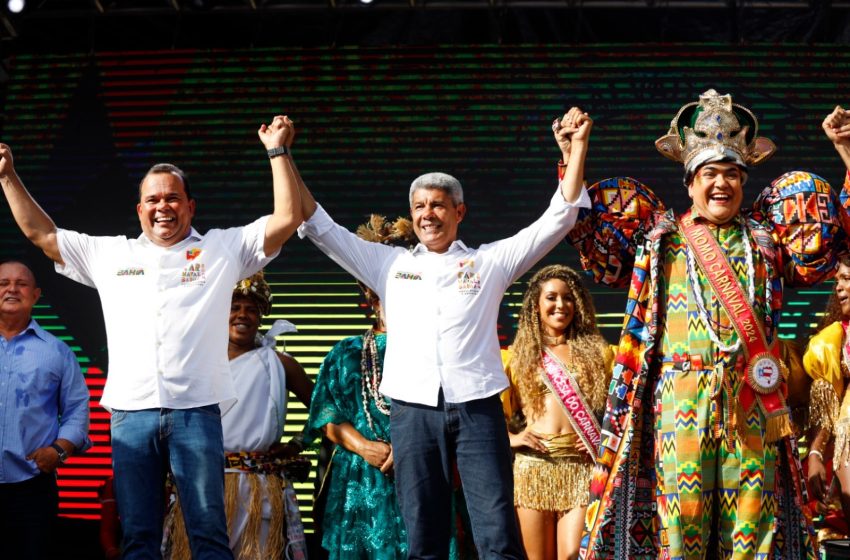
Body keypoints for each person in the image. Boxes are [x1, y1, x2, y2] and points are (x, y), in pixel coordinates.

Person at [563, 93, 850, 560]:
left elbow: (837, 232)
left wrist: (846, 150)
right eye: (710, 174)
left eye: (732, 173)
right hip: (680, 396)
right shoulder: (658, 237)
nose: (722, 184)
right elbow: (578, 225)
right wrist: (574, 154)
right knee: (680, 525)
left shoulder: (768, 239)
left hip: (753, 397)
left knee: (752, 527)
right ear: (690, 183)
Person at [290, 114, 591, 558]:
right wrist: (283, 156)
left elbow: (558, 218)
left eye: (437, 205)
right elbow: (320, 227)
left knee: (496, 533)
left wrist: (576, 148)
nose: (428, 214)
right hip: (412, 411)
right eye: (420, 207)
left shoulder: (490, 263)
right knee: (424, 535)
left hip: (477, 408)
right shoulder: (387, 264)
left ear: (458, 211)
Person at [0, 115, 301, 559]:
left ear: (190, 207)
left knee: (208, 535)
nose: (163, 207)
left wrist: (278, 151)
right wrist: (7, 176)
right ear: (139, 209)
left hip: (196, 411)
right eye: (153, 200)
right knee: (138, 535)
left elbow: (288, 217)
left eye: (173, 198)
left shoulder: (221, 248)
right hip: (131, 413)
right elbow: (40, 233)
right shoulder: (111, 254)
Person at [165, 270, 314, 560]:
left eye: (251, 309)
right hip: (202, 481)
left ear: (261, 317)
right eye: (234, 308)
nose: (242, 315)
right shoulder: (195, 361)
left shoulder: (281, 364)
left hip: (258, 485)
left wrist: (297, 443)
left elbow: (325, 409)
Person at [302, 214, 417, 559]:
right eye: (383, 294)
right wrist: (365, 447)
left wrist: (409, 449)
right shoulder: (346, 352)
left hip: (417, 471)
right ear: (371, 297)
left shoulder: (434, 350)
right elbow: (326, 416)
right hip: (358, 478)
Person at [501, 264, 613, 560]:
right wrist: (511, 438)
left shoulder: (600, 353)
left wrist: (601, 437)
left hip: (580, 468)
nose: (561, 305)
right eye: (551, 298)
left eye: (568, 297)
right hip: (533, 469)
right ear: (535, 306)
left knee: (573, 554)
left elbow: (622, 408)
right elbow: (488, 412)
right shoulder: (514, 356)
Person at [0, 260, 91, 560]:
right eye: (3, 283)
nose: (12, 288)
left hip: (32, 489)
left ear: (36, 295)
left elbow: (78, 409)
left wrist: (59, 450)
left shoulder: (58, 351)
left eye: (21, 283)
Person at [804, 254, 850, 529]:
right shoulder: (833, 340)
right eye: (837, 281)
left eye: (846, 279)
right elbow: (827, 400)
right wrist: (816, 454)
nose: (839, 288)